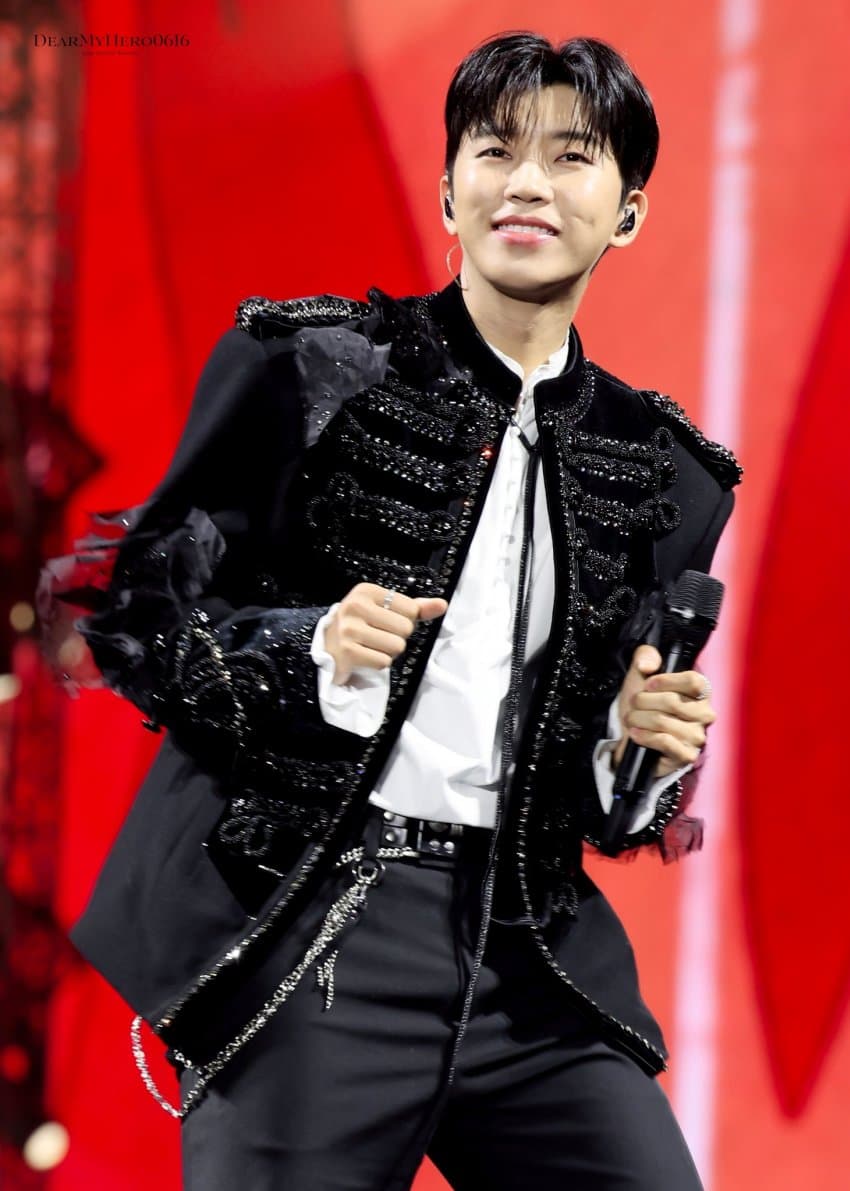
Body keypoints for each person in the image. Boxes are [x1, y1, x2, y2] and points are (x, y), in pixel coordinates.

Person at [39, 31, 742, 1191]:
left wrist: (633, 751)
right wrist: (308, 651)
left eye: (570, 157)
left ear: (627, 213)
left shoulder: (667, 469)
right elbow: (134, 611)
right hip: (318, 928)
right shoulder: (308, 368)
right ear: (449, 192)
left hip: (529, 953)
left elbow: (604, 792)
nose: (526, 182)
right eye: (494, 151)